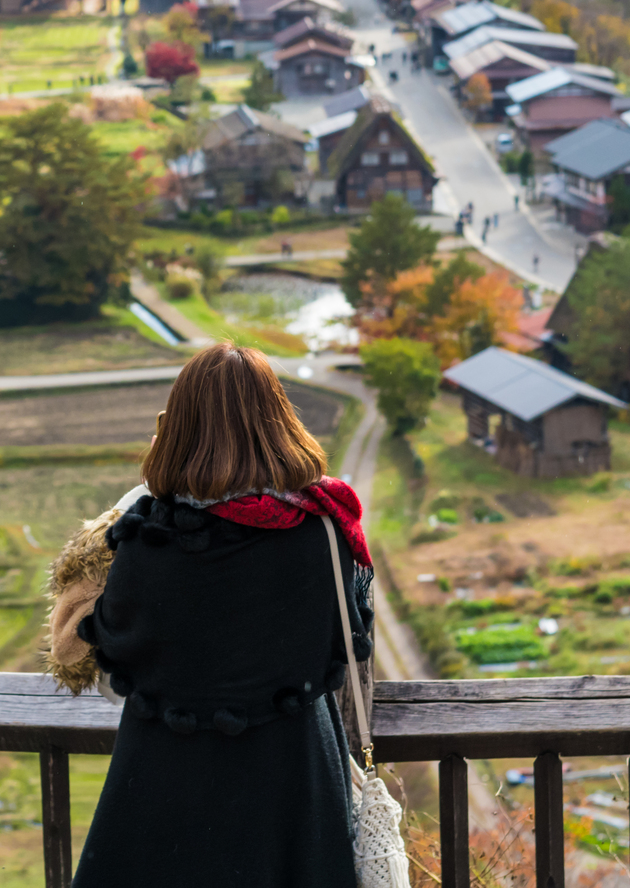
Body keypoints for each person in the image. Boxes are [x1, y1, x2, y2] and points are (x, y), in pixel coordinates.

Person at [65, 344, 374, 886]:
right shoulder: (323, 532)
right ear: (278, 421)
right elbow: (345, 642)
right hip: (292, 784)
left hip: (165, 790)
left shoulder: (145, 542)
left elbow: (114, 677)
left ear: (178, 429)